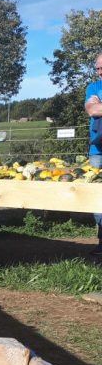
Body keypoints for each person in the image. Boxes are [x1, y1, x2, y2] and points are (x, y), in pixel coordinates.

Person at [84, 51, 102, 257]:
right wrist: (95, 106)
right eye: (96, 68)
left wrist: (100, 105)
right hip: (97, 150)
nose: (99, 72)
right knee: (97, 196)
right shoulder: (93, 87)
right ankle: (101, 241)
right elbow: (92, 111)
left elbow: (98, 108)